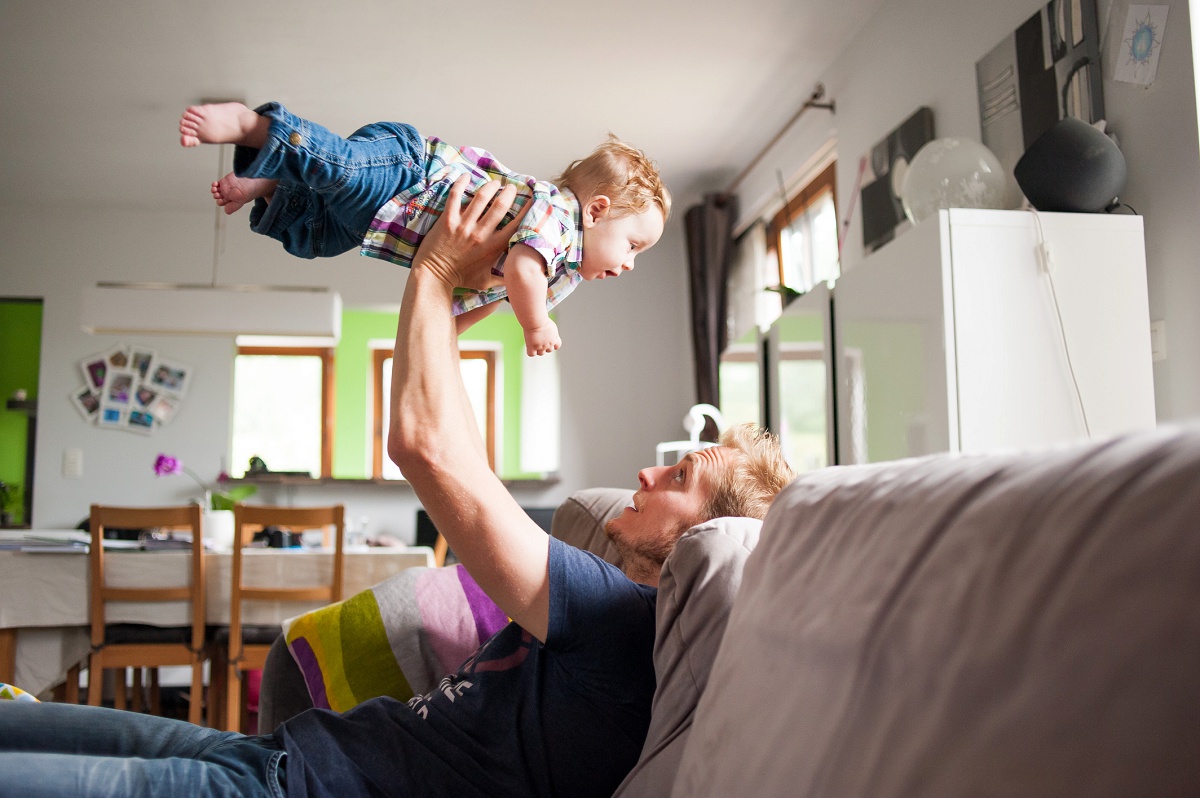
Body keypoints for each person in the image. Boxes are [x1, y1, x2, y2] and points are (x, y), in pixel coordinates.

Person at [0, 179, 793, 798]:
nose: (650, 470)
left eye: (682, 477)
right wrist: (449, 306)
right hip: (281, 757)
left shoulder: (624, 622)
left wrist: (438, 270)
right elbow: (448, 440)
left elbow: (426, 445)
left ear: (705, 538)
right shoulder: (611, 610)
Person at [179, 101, 671, 356]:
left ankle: (268, 183)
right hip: (411, 171)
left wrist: (446, 337)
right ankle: (254, 128)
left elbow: (487, 301)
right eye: (632, 246)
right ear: (597, 211)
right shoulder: (557, 217)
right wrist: (537, 324)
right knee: (342, 168)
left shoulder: (557, 273)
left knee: (316, 238)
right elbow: (521, 274)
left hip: (383, 222)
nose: (628, 263)